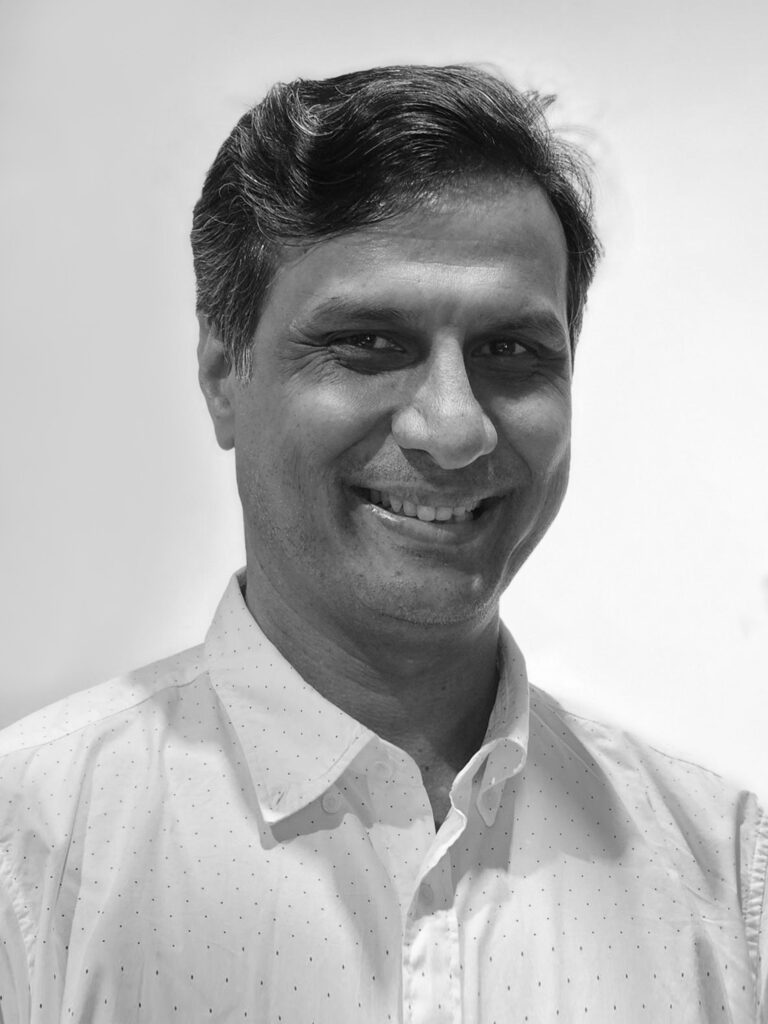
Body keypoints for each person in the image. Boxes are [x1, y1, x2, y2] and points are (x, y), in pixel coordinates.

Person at [0, 63, 765, 1024]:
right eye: (369, 342)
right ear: (223, 374)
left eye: (511, 351)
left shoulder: (727, 876)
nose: (455, 428)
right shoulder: (28, 850)